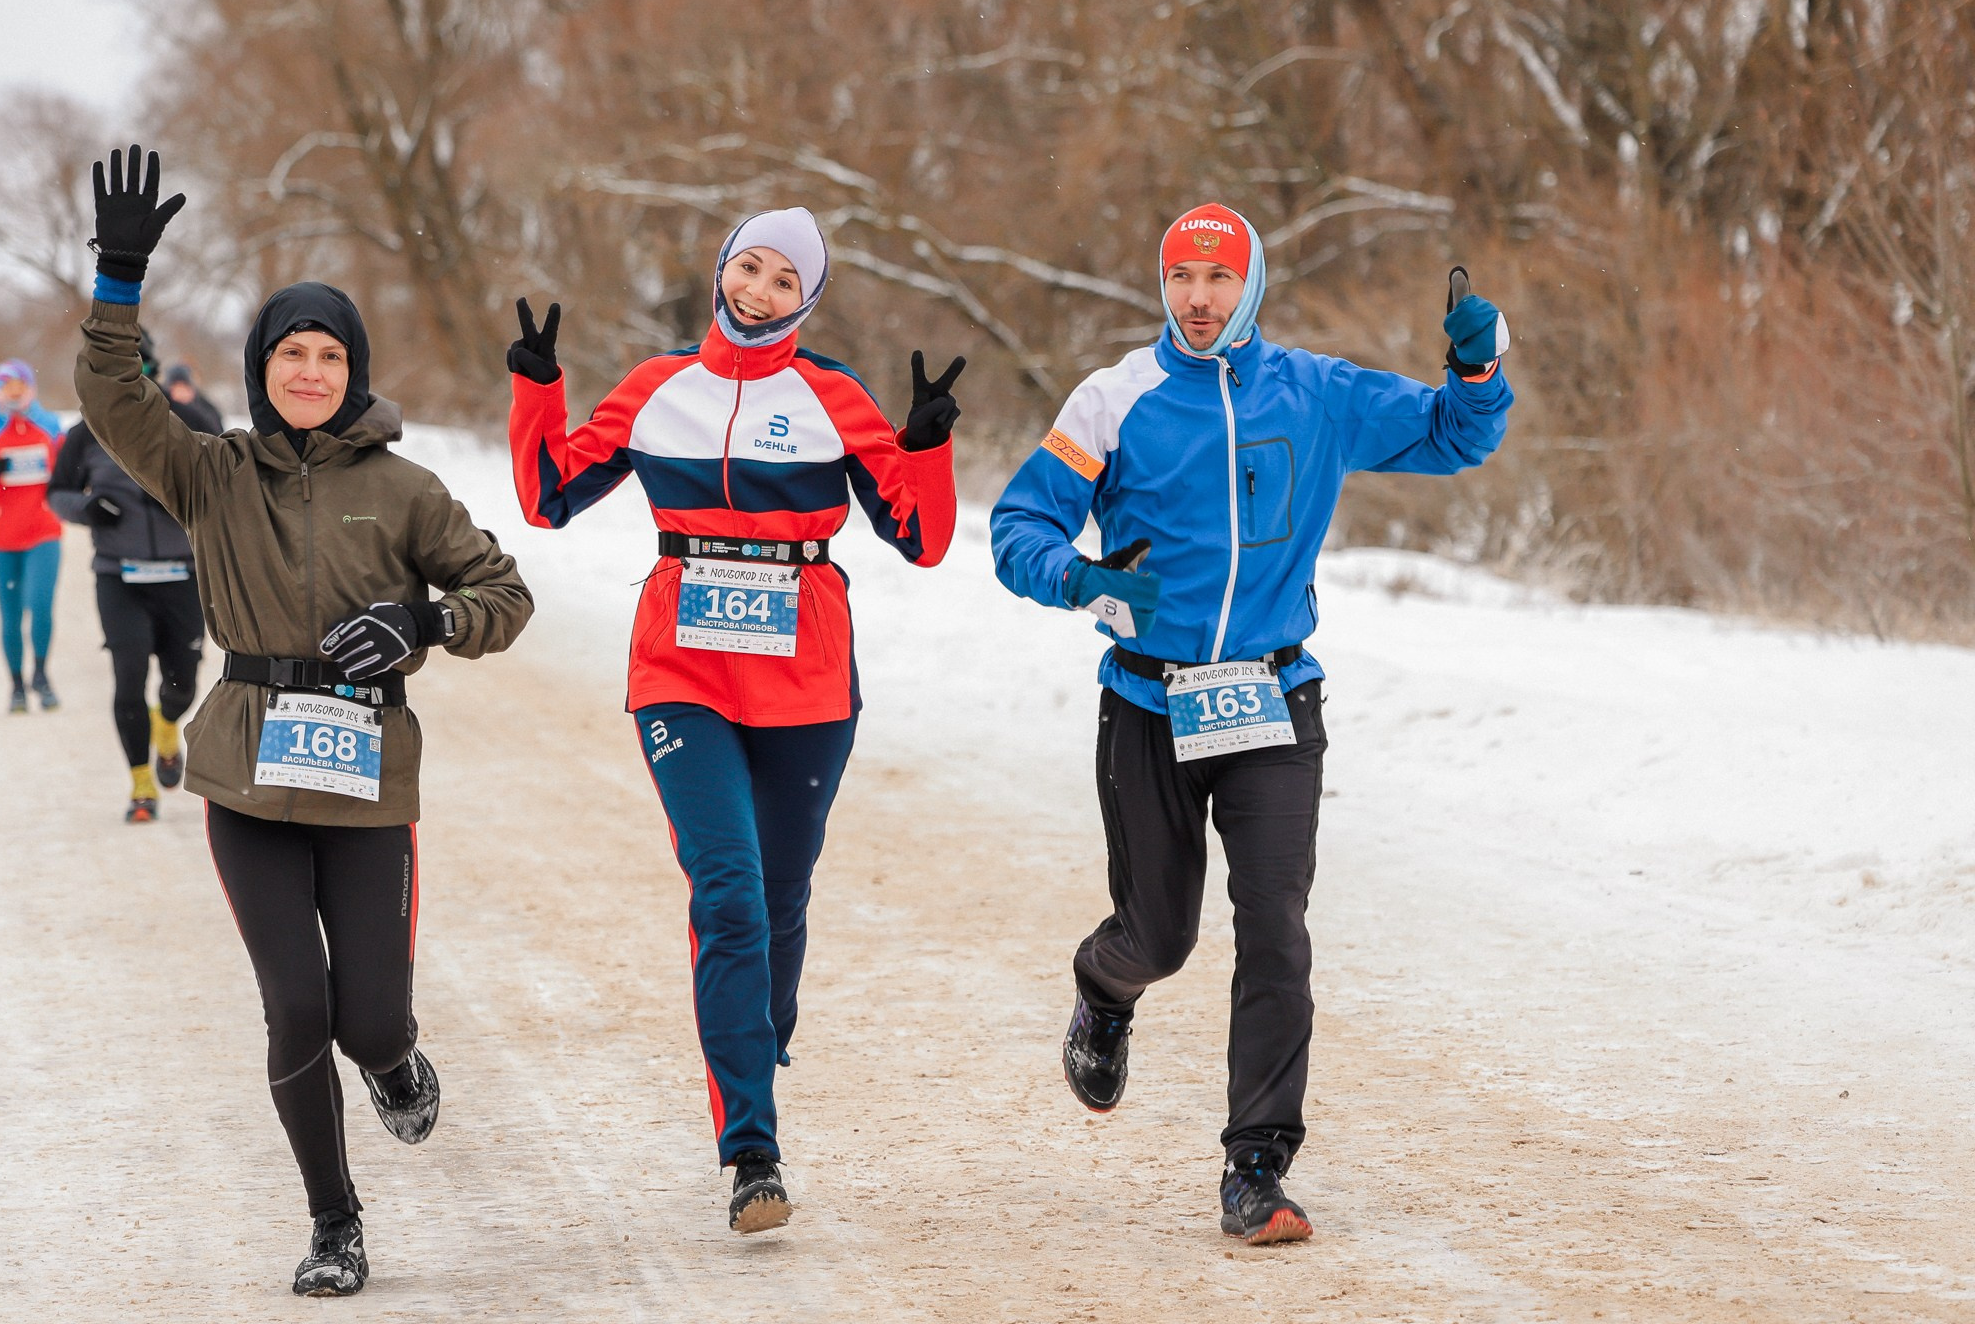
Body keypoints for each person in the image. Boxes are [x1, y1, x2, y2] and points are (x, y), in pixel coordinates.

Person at [989, 205, 1514, 1245]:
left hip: (1273, 699)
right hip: (1150, 699)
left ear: (1253, 285)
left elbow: (1458, 436)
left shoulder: (1316, 394)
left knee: (1275, 924)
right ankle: (1105, 983)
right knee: (1162, 933)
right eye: (1181, 275)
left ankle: (1255, 1167)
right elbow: (1018, 527)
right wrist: (1079, 577)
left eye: (1219, 278)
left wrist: (1479, 368)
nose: (1197, 297)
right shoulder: (1114, 401)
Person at [76, 146, 531, 1297]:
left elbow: (505, 596)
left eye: (331, 356)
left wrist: (425, 624)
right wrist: (119, 283)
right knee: (295, 1007)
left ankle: (392, 1061)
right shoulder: (209, 473)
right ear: (261, 368)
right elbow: (112, 401)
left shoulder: (408, 489)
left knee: (369, 1017)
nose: (312, 371)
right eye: (292, 353)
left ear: (354, 371)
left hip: (366, 776)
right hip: (250, 776)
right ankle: (335, 1221)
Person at [508, 207, 964, 1235]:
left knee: (781, 897)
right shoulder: (657, 385)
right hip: (684, 670)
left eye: (783, 281)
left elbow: (924, 537)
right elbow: (547, 494)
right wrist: (539, 388)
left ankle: (755, 1037)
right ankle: (751, 1148)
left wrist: (926, 444)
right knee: (729, 891)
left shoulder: (833, 395)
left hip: (807, 675)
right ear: (720, 271)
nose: (758, 292)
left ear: (808, 299)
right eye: (747, 268)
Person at [47, 331, 216, 824]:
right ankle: (142, 787)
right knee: (128, 681)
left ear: (152, 370)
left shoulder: (188, 421)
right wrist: (87, 509)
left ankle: (167, 727)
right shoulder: (84, 433)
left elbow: (227, 480)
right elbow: (57, 493)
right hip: (118, 577)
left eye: (139, 369)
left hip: (182, 574)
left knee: (182, 685)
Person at [0, 360, 66, 713]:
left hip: (43, 533)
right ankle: (17, 686)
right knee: (10, 617)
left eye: (19, 386)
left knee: (40, 607)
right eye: (7, 387)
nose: (14, 393)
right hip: (1, 540)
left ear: (30, 389)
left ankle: (41, 673)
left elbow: (71, 470)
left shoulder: (50, 426)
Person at [162, 360, 224, 431]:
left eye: (184, 386)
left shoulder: (207, 411)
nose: (181, 392)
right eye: (176, 387)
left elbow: (217, 436)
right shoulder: (163, 411)